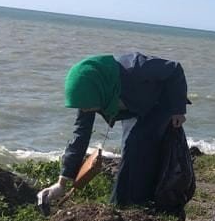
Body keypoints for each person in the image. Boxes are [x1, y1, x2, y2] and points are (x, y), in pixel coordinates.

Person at [37, 53, 188, 209]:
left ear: (96, 92)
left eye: (86, 106)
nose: (84, 110)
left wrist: (178, 109)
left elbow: (174, 69)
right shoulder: (89, 95)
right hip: (134, 109)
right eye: (81, 106)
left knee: (135, 148)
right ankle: (120, 207)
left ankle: (144, 205)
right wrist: (61, 183)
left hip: (160, 103)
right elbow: (80, 135)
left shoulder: (136, 67)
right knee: (129, 153)